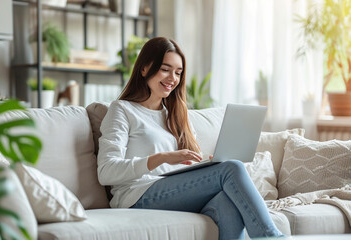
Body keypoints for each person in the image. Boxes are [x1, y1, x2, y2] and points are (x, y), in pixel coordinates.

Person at [97, 37, 283, 240]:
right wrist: (162, 157)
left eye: (178, 73)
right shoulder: (122, 110)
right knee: (232, 168)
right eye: (165, 69)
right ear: (144, 69)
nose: (172, 78)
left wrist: (208, 163)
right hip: (136, 195)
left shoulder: (176, 115)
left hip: (172, 188)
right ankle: (271, 237)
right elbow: (106, 172)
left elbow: (185, 165)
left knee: (227, 199)